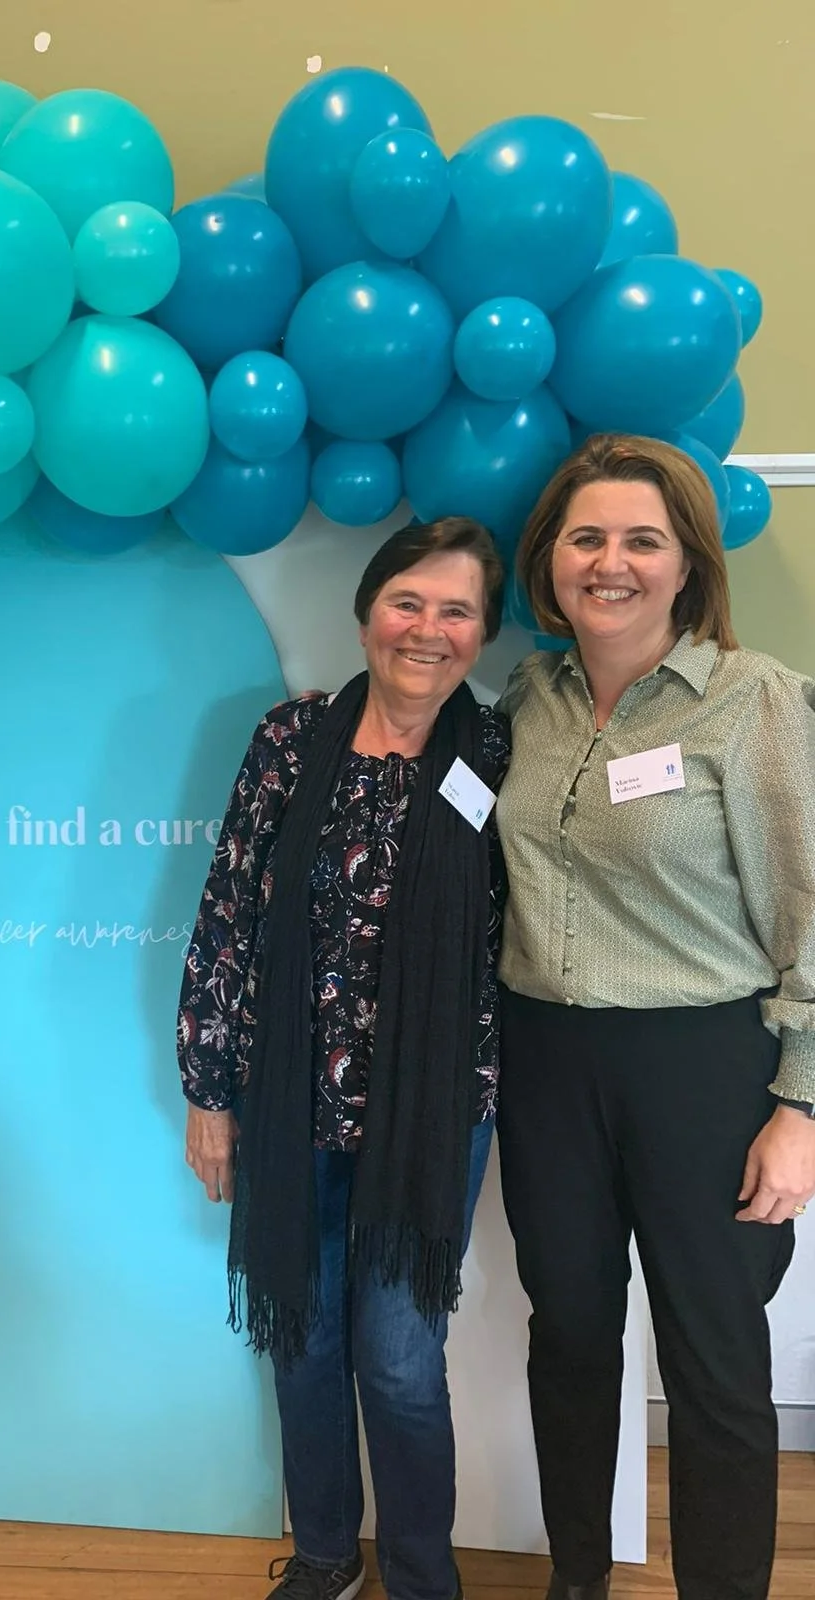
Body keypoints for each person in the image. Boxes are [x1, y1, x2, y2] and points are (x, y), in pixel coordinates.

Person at [496, 433, 815, 1600]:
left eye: (643, 539)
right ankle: (578, 1578)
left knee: (717, 1362)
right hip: (547, 1062)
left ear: (689, 565)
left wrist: (803, 1104)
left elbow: (811, 908)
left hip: (704, 1069)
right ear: (551, 560)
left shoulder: (755, 701)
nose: (611, 561)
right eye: (587, 537)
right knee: (570, 1337)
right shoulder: (528, 700)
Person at [177, 518, 510, 1600]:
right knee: (305, 1343)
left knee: (402, 1362)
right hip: (291, 1103)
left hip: (433, 1109)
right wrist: (209, 1094)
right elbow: (228, 913)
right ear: (368, 611)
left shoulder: (501, 755)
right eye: (408, 601)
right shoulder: (291, 739)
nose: (428, 628)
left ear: (484, 633)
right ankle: (325, 1556)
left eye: (456, 609)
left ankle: (420, 1575)